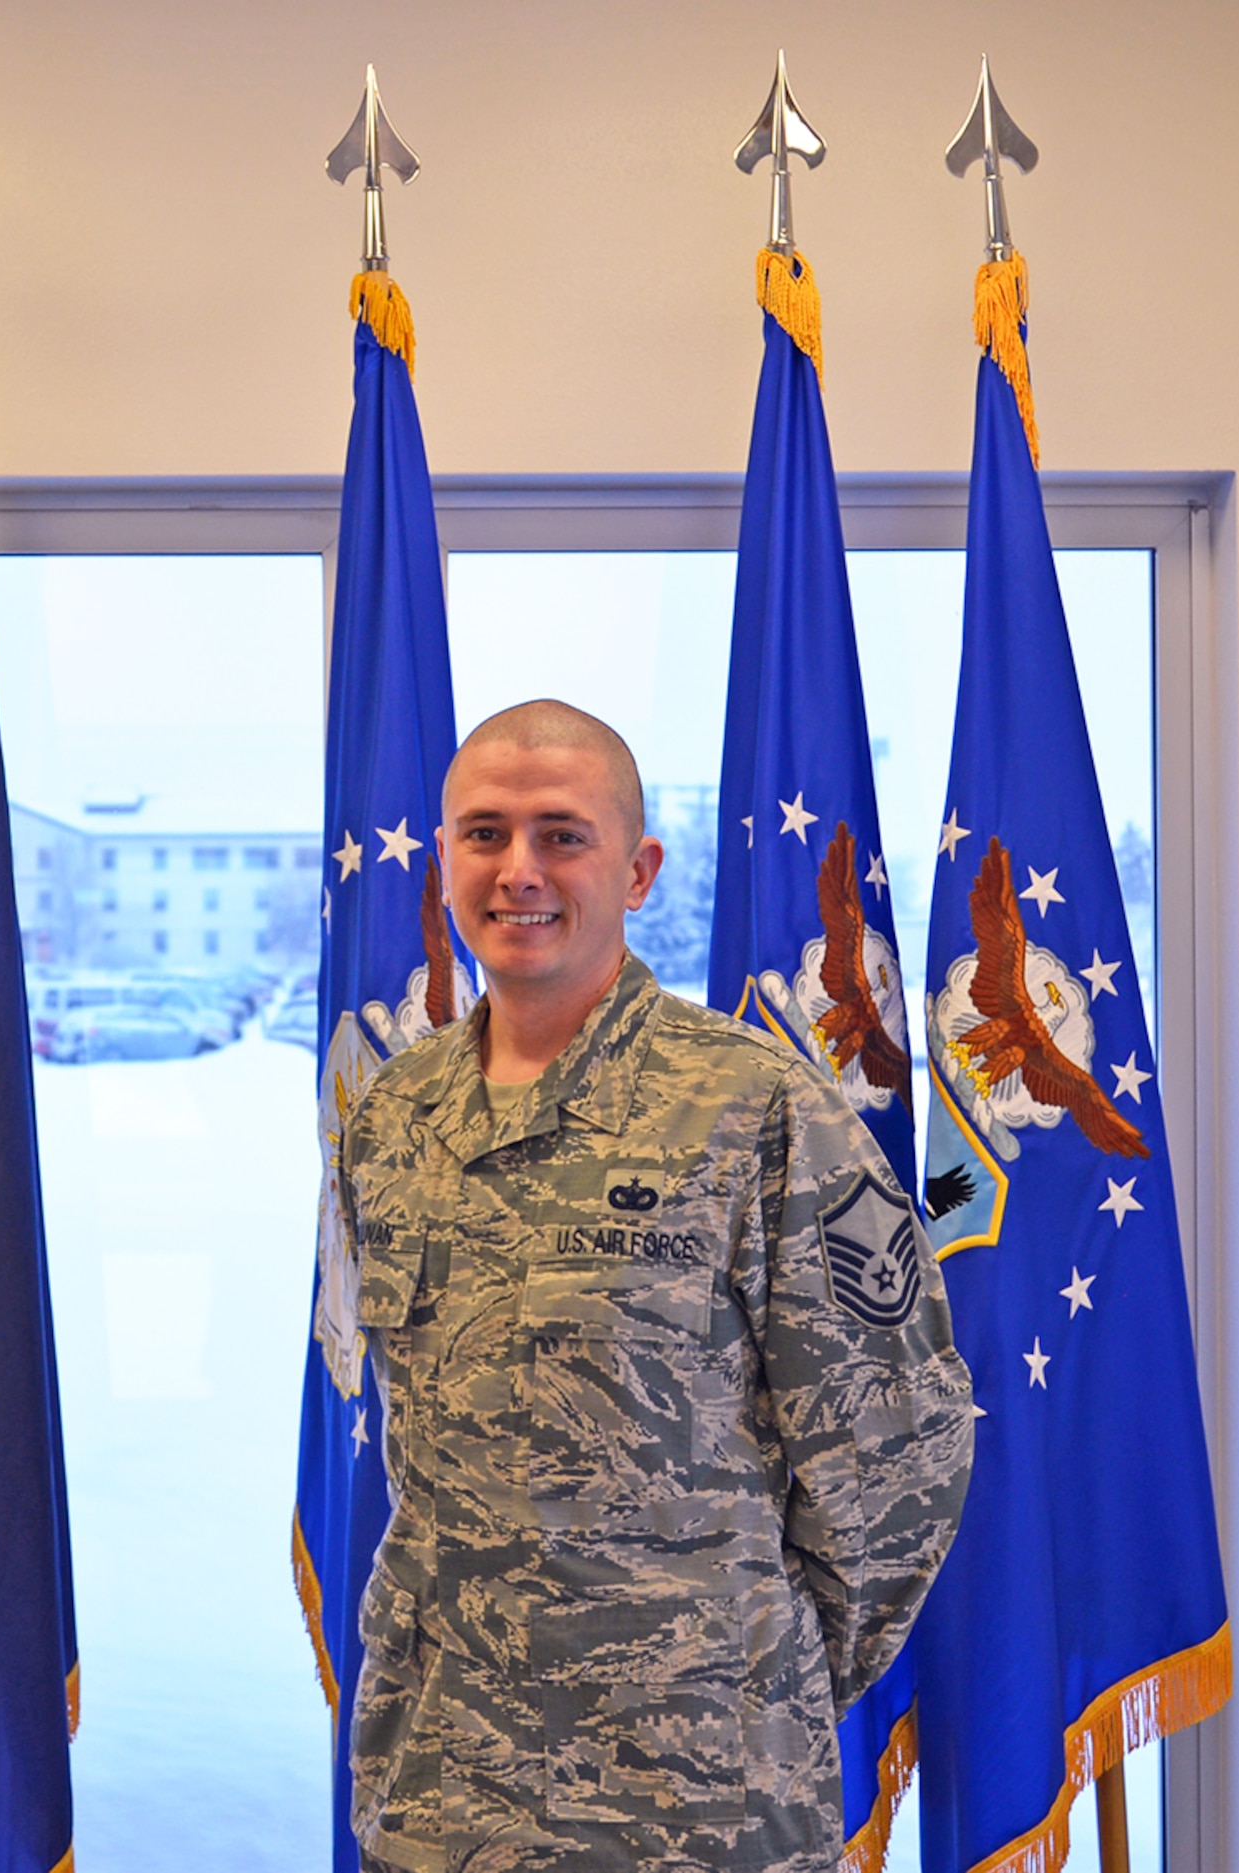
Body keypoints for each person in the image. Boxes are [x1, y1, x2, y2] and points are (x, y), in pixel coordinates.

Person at [338, 699, 975, 1873]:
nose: (517, 870)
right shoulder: (391, 1116)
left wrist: (749, 1663)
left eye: (560, 835)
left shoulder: (756, 1109)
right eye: (483, 834)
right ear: (441, 864)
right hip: (441, 1796)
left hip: (697, 1807)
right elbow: (409, 1448)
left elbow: (900, 1453)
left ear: (637, 872)